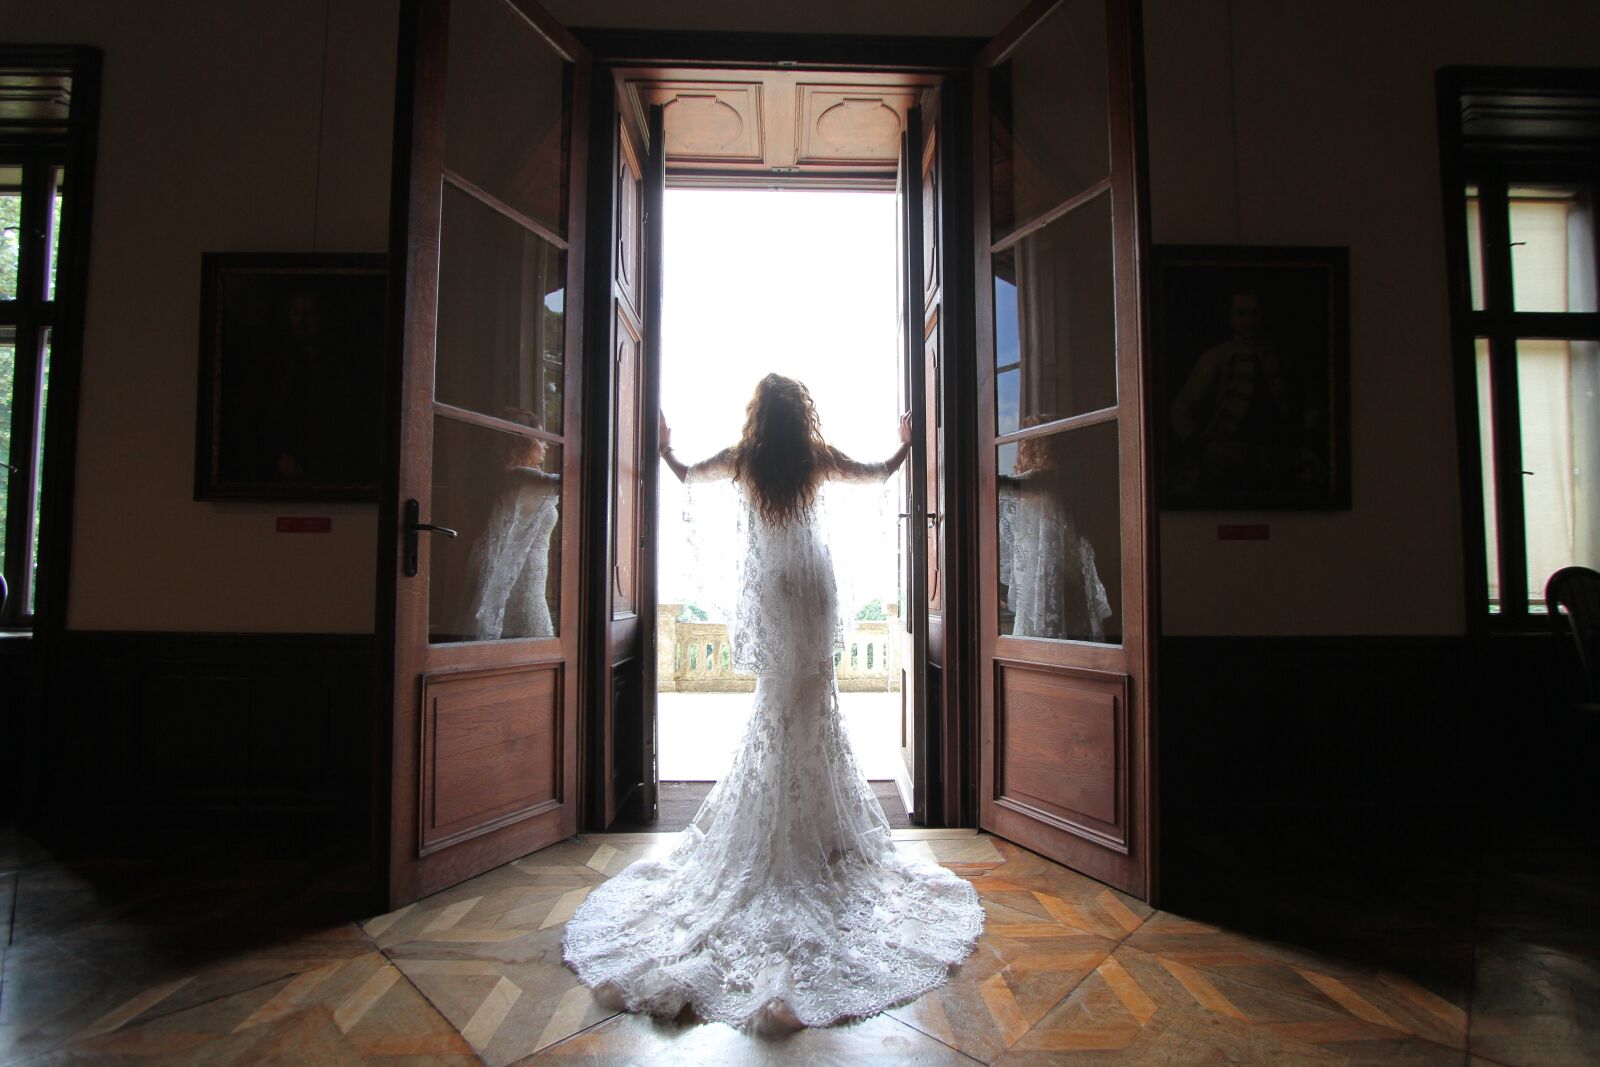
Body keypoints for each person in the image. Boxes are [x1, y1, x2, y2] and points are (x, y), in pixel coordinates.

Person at [562, 374, 983, 1029]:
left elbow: (684, 471)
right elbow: (878, 473)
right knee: (815, 706)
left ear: (760, 414)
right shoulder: (814, 457)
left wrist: (666, 445)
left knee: (779, 707)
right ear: (802, 413)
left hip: (773, 590)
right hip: (814, 589)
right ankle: (824, 829)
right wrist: (907, 443)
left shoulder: (745, 458)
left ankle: (790, 827)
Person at [458, 416, 560, 640]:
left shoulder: (510, 478)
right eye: (540, 439)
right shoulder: (520, 476)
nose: (546, 445)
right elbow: (568, 482)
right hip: (526, 581)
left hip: (528, 575)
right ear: (520, 441)